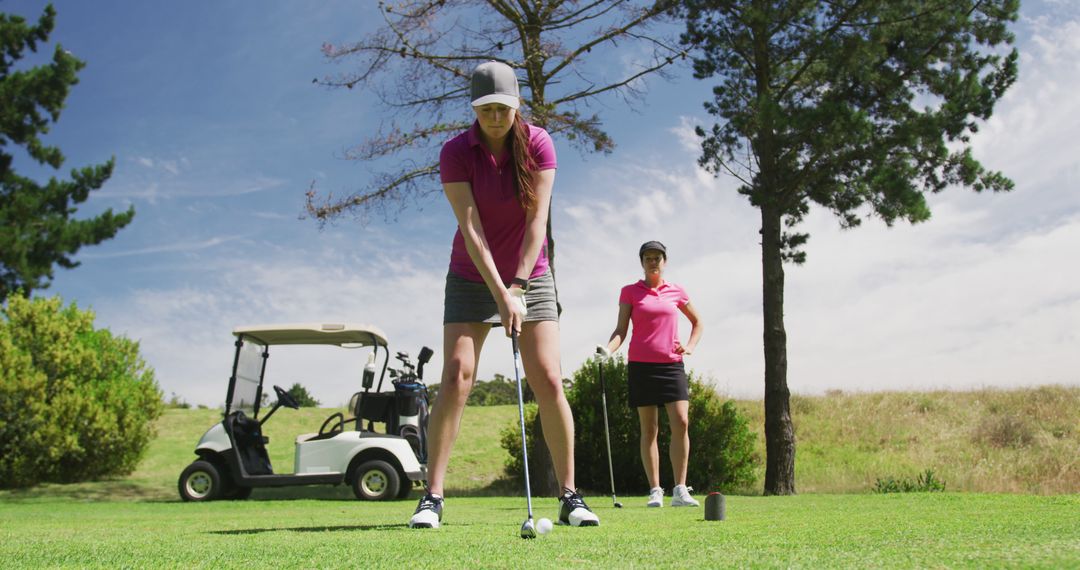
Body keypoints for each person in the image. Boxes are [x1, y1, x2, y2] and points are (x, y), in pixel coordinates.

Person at [408, 61, 599, 529]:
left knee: (549, 379)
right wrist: (498, 292)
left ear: (517, 106)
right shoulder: (456, 151)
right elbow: (471, 228)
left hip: (530, 273)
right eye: (487, 108)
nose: (496, 116)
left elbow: (537, 223)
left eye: (504, 108)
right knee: (456, 376)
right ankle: (432, 496)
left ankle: (570, 494)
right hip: (470, 274)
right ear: (475, 109)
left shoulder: (538, 143)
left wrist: (517, 288)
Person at [599, 240, 703, 508]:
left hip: (671, 365)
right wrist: (609, 351)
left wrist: (689, 346)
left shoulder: (676, 291)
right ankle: (655, 489)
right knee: (650, 429)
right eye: (648, 257)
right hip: (641, 366)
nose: (653, 261)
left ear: (664, 261)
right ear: (642, 262)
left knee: (681, 422)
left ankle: (680, 489)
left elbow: (698, 322)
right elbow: (621, 329)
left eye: (657, 257)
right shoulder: (630, 292)